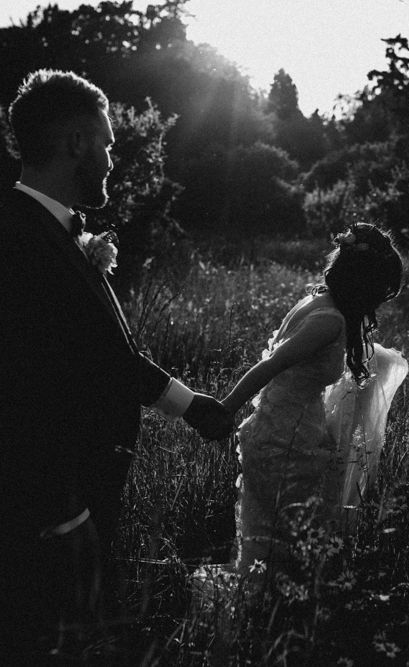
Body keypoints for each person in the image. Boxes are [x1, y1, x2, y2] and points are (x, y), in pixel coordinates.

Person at [0, 69, 234, 658]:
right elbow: (19, 387)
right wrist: (61, 511)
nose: (111, 157)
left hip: (82, 489)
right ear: (76, 142)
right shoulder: (15, 240)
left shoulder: (49, 231)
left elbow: (100, 355)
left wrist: (190, 405)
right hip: (49, 503)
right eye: (106, 142)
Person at [220, 223, 408, 581]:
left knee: (270, 541)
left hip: (277, 431)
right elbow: (271, 366)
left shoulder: (316, 302)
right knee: (286, 547)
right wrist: (224, 409)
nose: (380, 301)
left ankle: (257, 611)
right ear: (366, 284)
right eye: (381, 291)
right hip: (285, 444)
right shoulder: (330, 320)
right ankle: (266, 616)